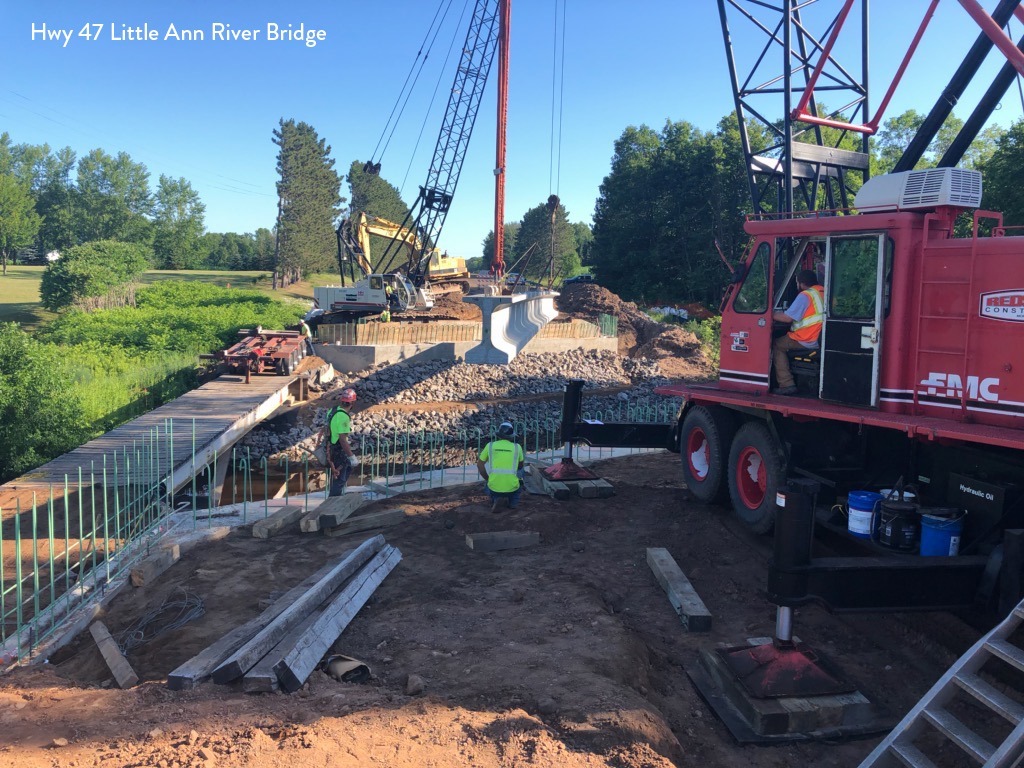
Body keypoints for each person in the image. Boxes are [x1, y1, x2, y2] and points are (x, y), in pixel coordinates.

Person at [772, 268, 825, 395]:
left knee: (777, 345)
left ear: (801, 283)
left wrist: (770, 313)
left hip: (807, 338)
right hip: (821, 337)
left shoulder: (806, 295)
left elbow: (787, 318)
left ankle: (786, 384)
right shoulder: (824, 291)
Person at [476, 422, 525, 513]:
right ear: (511, 436)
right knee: (522, 471)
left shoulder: (490, 446)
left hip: (494, 487)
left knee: (489, 487)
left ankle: (495, 499)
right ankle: (513, 502)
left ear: (499, 435)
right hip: (512, 487)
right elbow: (520, 465)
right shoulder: (517, 447)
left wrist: (487, 479)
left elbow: (480, 465)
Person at [323, 388, 360, 496]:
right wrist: (351, 456)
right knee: (341, 476)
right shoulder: (343, 417)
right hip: (337, 449)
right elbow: (342, 440)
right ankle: (333, 502)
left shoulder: (332, 410)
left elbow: (327, 428)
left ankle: (333, 498)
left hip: (330, 447)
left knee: (336, 476)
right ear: (352, 402)